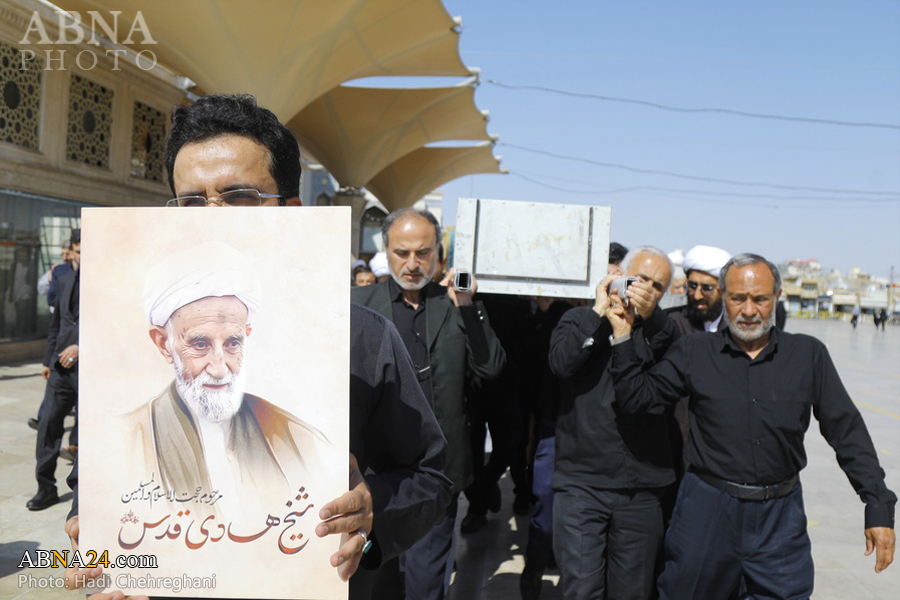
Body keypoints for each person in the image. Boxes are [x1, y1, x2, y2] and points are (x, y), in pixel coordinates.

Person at [64, 94, 451, 599]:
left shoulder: (363, 339)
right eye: (192, 201)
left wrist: (372, 508)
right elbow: (94, 482)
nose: (212, 217)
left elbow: (429, 478)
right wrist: (92, 535)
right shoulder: (123, 415)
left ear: (291, 211)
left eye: (239, 196)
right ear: (164, 343)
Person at [608, 253, 897, 599]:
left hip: (780, 520)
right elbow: (637, 399)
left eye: (760, 299)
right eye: (737, 298)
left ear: (777, 297)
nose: (748, 310)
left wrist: (878, 506)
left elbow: (846, 431)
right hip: (706, 514)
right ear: (723, 297)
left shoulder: (808, 355)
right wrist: (622, 337)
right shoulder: (694, 351)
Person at [352, 207, 506, 600]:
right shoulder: (357, 304)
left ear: (439, 252)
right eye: (401, 253)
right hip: (371, 475)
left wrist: (468, 305)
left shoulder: (455, 306)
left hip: (436, 471)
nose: (412, 264)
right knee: (376, 582)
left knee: (426, 582)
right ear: (385, 250)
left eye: (423, 253)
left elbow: (490, 367)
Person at [126, 241, 332, 521]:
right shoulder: (124, 441)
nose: (220, 369)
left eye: (233, 343)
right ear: (164, 344)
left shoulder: (296, 437)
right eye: (200, 344)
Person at [547, 246, 678, 600]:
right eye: (641, 279)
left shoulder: (662, 332)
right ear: (620, 275)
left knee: (632, 591)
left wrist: (647, 319)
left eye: (657, 286)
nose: (647, 289)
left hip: (642, 488)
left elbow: (673, 346)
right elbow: (562, 363)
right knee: (581, 589)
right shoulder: (579, 319)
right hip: (582, 484)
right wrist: (599, 311)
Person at [28, 230, 81, 511]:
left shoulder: (104, 276)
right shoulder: (62, 276)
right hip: (60, 366)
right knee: (48, 424)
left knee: (87, 433)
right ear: (71, 251)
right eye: (78, 252)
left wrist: (82, 347)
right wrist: (48, 360)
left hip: (91, 368)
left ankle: (81, 496)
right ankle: (45, 487)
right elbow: (57, 321)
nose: (81, 257)